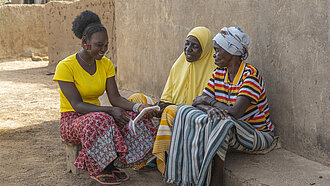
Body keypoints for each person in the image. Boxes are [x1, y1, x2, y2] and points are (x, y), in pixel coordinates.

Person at [53, 10, 157, 185]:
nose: (103, 50)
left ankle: (115, 163)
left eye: (106, 45)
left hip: (96, 116)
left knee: (130, 117)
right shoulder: (65, 67)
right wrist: (110, 111)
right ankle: (101, 167)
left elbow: (115, 98)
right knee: (102, 119)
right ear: (85, 43)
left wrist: (138, 108)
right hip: (72, 121)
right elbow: (77, 105)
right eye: (99, 45)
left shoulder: (106, 64)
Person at [164, 27, 275, 186]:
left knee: (220, 123)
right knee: (184, 111)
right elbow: (197, 101)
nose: (214, 54)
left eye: (217, 50)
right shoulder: (219, 73)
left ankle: (215, 181)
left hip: (256, 134)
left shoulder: (250, 75)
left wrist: (210, 102)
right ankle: (186, 177)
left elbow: (235, 112)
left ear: (232, 52)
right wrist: (209, 108)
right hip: (232, 130)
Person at [128, 26, 217, 174]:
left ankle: (163, 162)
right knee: (135, 100)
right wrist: (159, 106)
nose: (188, 49)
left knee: (170, 110)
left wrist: (170, 107)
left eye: (195, 47)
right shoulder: (179, 64)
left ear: (206, 49)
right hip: (171, 111)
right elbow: (167, 96)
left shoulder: (213, 71)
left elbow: (201, 106)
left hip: (191, 119)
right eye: (187, 44)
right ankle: (142, 155)